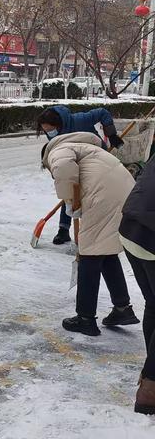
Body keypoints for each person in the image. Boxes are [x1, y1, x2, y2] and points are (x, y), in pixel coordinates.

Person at [41, 131, 139, 336]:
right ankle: (122, 308)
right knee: (105, 250)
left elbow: (63, 169)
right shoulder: (87, 148)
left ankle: (85, 318)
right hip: (127, 193)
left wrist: (69, 200)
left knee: (89, 256)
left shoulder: (57, 150)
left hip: (103, 198)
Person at [37, 106, 124, 245]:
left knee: (90, 198)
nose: (49, 134)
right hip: (72, 160)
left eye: (51, 130)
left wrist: (111, 134)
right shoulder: (54, 134)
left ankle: (91, 234)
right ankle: (63, 230)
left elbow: (102, 112)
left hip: (95, 159)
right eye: (46, 131)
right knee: (69, 195)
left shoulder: (79, 120)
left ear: (59, 123)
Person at [119, 156, 155, 414]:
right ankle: (150, 390)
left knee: (154, 304)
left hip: (131, 229)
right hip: (151, 235)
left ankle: (149, 371)